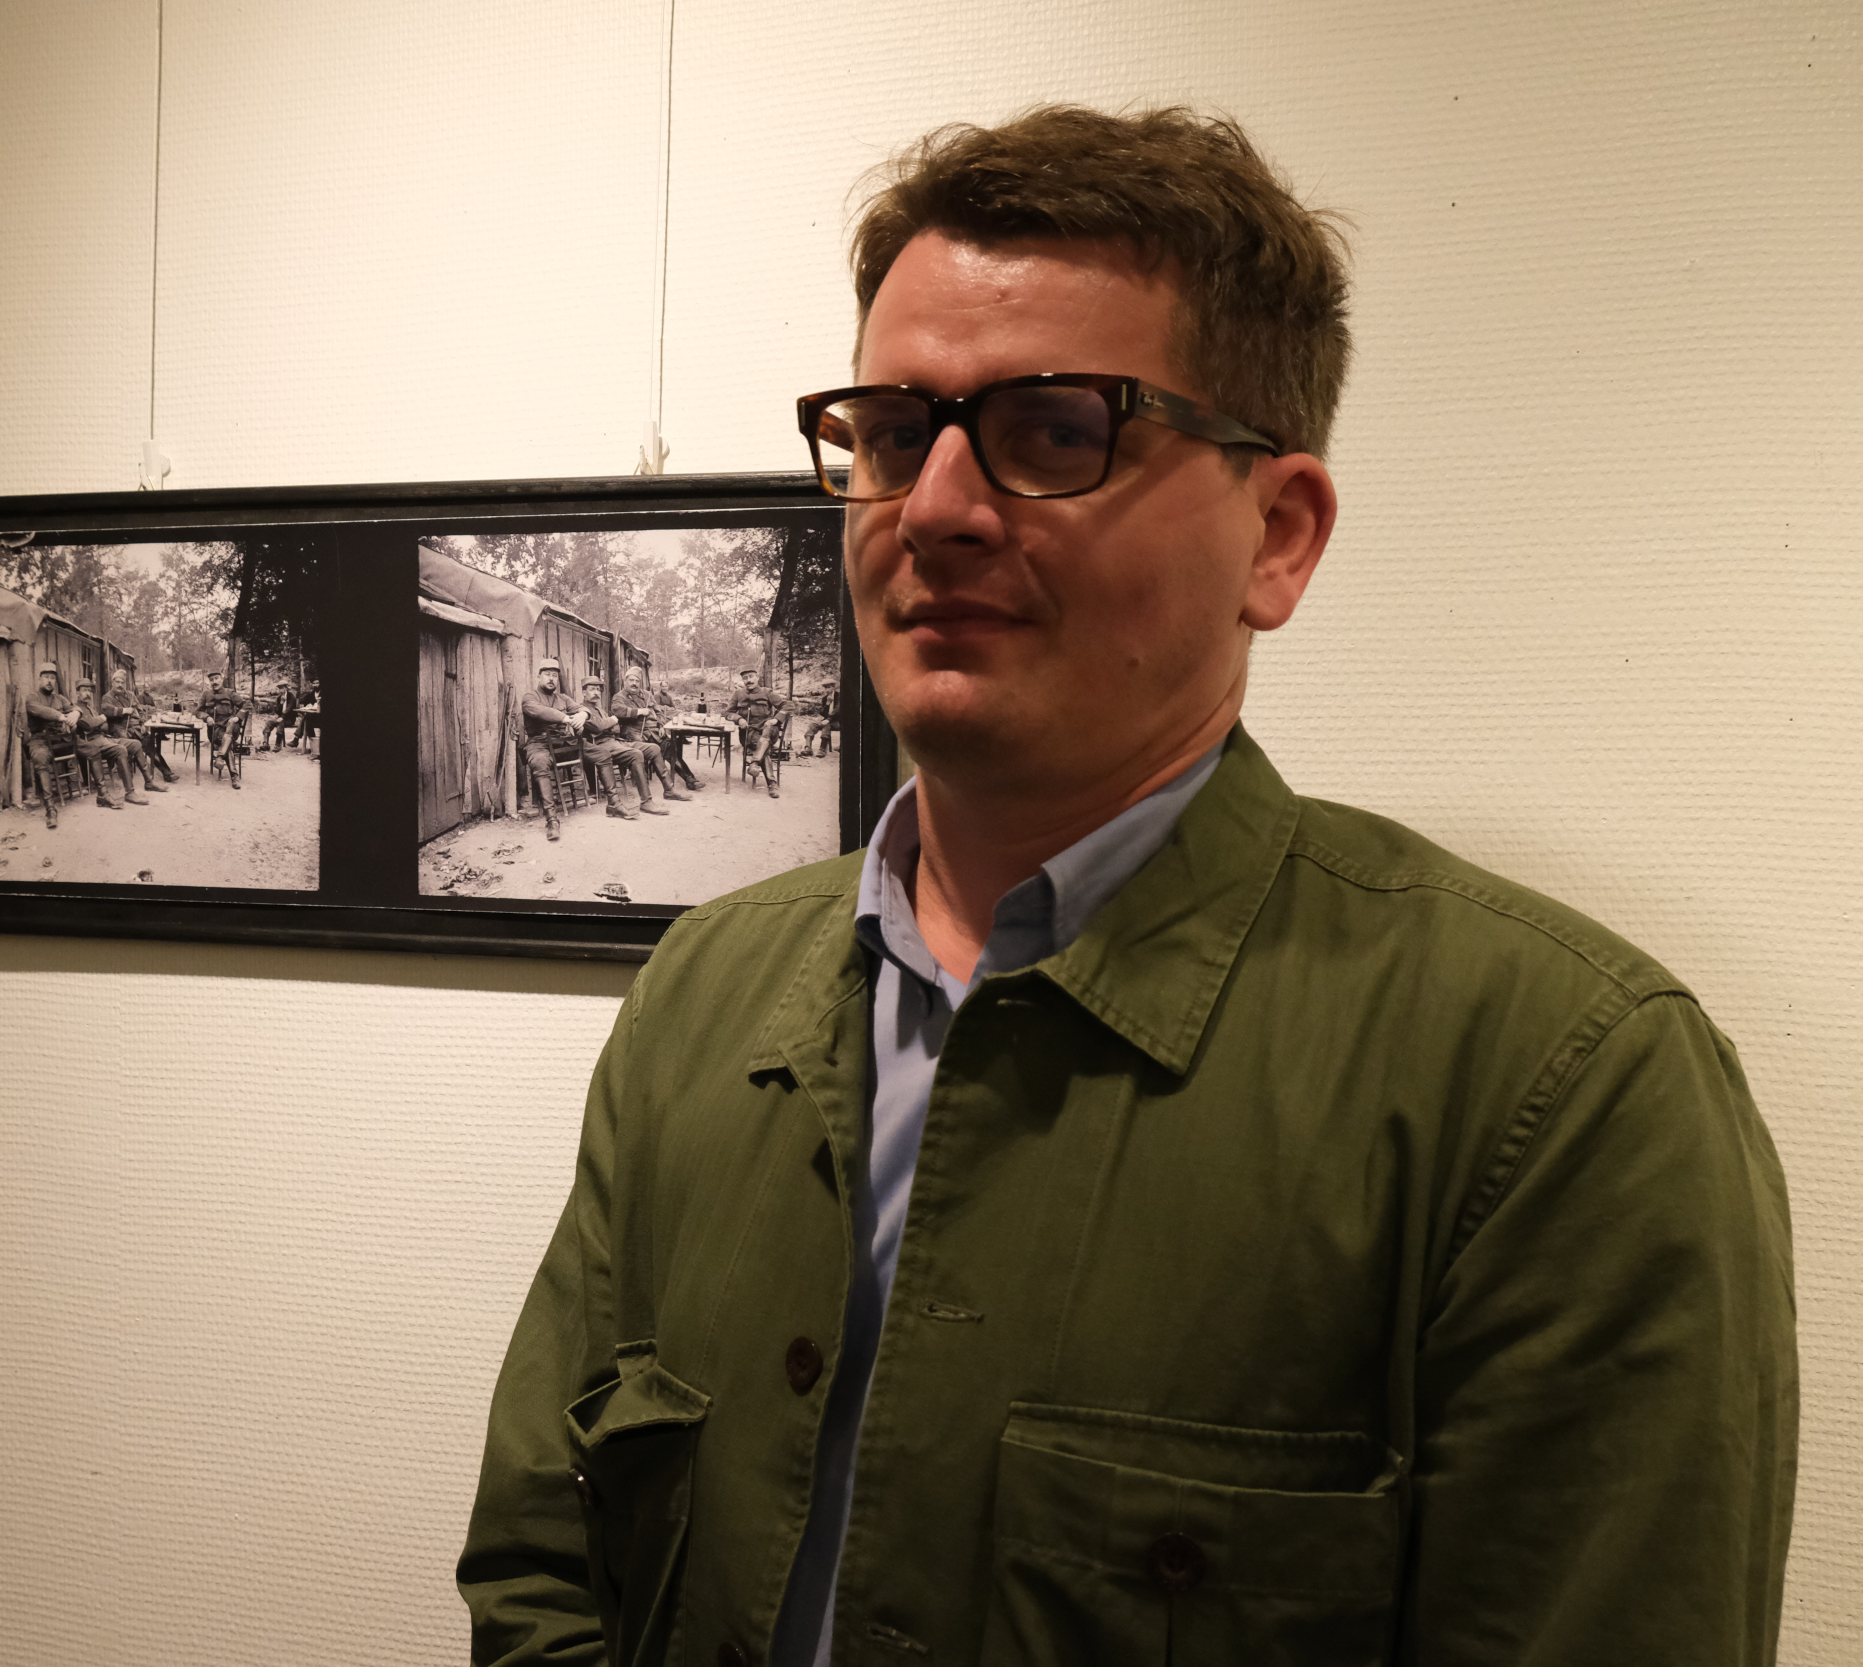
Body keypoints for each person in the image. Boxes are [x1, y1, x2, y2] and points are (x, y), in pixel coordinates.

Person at [460, 104, 1795, 1667]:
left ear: (1277, 538)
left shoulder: (1556, 1092)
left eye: (1054, 430)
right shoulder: (706, 992)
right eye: (895, 433)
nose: (937, 508)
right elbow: (544, 1570)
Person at [578, 675, 666, 819]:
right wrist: (610, 721)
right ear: (583, 693)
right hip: (601, 746)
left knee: (653, 748)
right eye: (592, 689)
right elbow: (597, 727)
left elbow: (616, 728)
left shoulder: (599, 709)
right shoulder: (582, 710)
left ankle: (668, 789)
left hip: (615, 741)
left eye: (598, 690)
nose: (596, 693)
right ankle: (646, 801)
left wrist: (608, 724)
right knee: (636, 754)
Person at [518, 659, 587, 842]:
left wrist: (582, 714)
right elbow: (539, 712)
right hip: (538, 742)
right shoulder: (529, 697)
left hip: (561, 744)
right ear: (539, 676)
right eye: (547, 675)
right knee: (540, 762)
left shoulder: (563, 698)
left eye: (555, 676)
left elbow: (580, 707)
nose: (551, 679)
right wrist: (564, 717)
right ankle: (552, 819)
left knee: (591, 749)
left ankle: (609, 800)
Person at [613, 664, 696, 797]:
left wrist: (661, 725)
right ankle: (642, 785)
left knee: (669, 746)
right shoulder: (619, 697)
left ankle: (689, 779)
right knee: (640, 746)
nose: (634, 683)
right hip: (631, 732)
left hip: (650, 731)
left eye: (637, 681)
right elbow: (618, 710)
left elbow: (658, 711)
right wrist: (639, 711)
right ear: (625, 681)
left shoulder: (646, 695)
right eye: (631, 680)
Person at [71, 678, 142, 808]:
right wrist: (100, 720)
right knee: (121, 749)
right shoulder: (75, 709)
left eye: (89, 691)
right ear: (77, 693)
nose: (88, 693)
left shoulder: (91, 709)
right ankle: (128, 792)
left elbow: (105, 726)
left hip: (102, 738)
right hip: (91, 743)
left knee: (129, 745)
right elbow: (87, 725)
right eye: (84, 690)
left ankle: (130, 792)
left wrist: (98, 722)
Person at [20, 663, 74, 829]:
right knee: (40, 757)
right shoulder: (32, 697)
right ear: (39, 679)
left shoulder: (59, 698)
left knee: (82, 747)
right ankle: (50, 809)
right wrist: (60, 716)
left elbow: (73, 707)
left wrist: (76, 714)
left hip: (58, 739)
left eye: (53, 678)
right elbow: (38, 710)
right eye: (46, 677)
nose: (50, 681)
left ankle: (90, 788)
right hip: (40, 739)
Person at [106, 669, 172, 791]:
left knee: (149, 743)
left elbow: (140, 710)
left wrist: (143, 723)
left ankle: (166, 773)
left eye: (122, 682)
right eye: (117, 682)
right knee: (126, 743)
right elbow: (107, 710)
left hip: (134, 729)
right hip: (117, 730)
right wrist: (124, 711)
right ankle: (128, 780)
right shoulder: (107, 697)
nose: (120, 685)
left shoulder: (130, 695)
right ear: (112, 683)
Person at [726, 666, 787, 798]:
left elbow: (788, 706)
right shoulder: (738, 694)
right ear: (742, 680)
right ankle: (771, 783)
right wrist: (739, 719)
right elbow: (727, 712)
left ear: (757, 677)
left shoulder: (767, 692)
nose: (748, 680)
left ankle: (756, 765)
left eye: (751, 677)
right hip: (749, 733)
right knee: (761, 744)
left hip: (769, 729)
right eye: (745, 678)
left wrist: (776, 720)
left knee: (766, 733)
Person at [196, 672, 250, 790]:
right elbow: (197, 711)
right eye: (211, 680)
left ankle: (220, 757)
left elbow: (247, 705)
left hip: (231, 725)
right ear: (209, 682)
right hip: (215, 730)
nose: (214, 682)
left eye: (216, 679)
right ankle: (234, 776)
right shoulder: (206, 694)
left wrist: (238, 717)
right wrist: (206, 717)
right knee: (227, 743)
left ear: (222, 680)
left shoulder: (230, 693)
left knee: (230, 728)